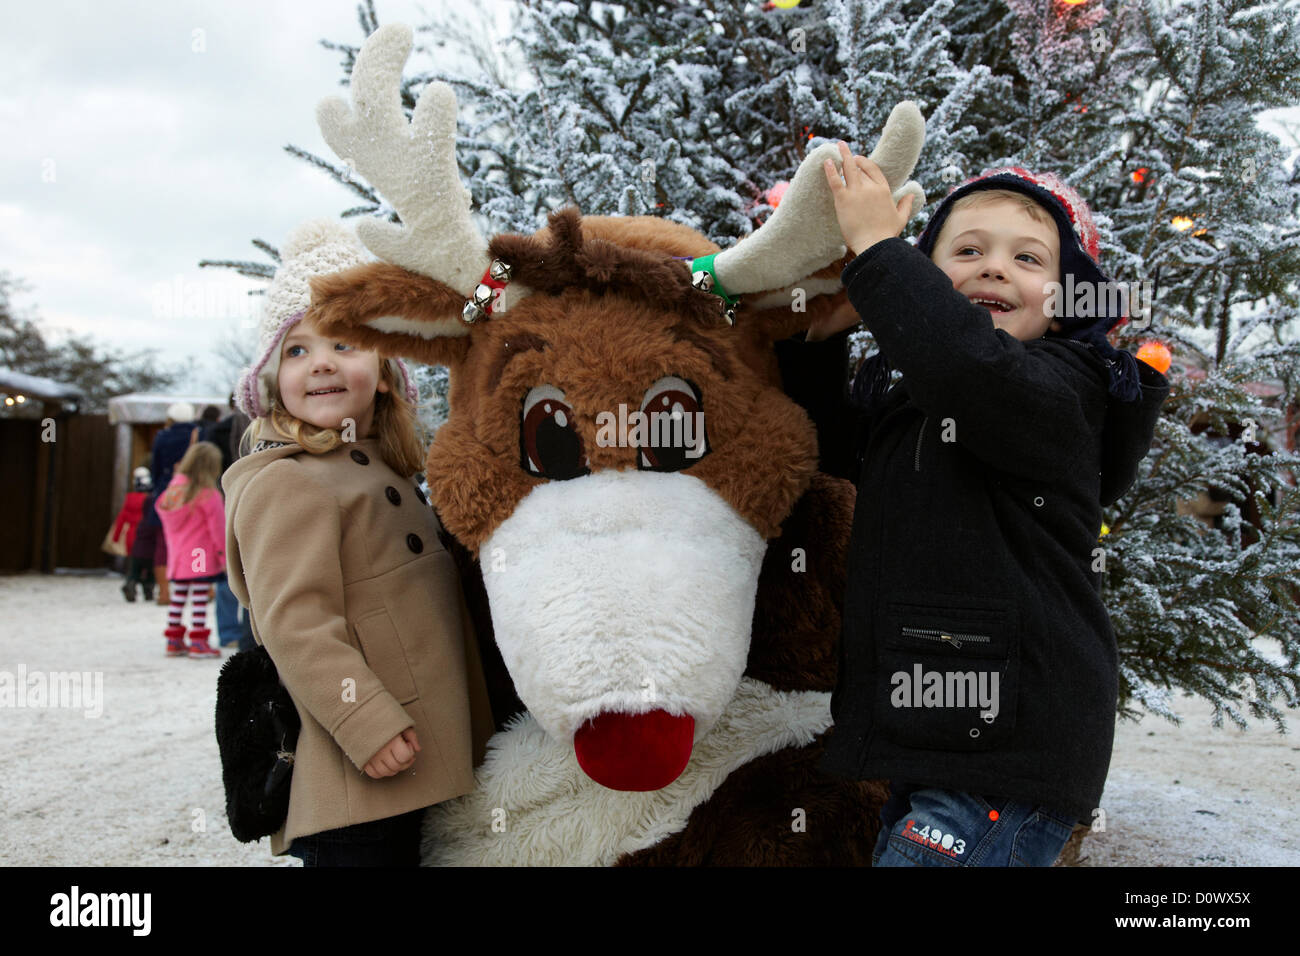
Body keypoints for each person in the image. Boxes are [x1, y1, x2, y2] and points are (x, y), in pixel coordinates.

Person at [775, 146, 1170, 866]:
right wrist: (820, 344)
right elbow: (828, 456)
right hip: (940, 732)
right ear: (930, 279)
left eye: (1028, 259)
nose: (994, 267)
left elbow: (970, 369)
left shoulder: (1063, 391)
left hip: (1011, 741)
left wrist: (876, 248)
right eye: (968, 250)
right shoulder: (916, 400)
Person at [222, 220, 494, 866]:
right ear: (271, 380)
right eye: (295, 351)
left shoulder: (384, 469)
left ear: (383, 367)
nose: (319, 362)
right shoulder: (288, 482)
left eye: (343, 342)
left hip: (413, 763)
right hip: (356, 779)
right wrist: (363, 721)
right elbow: (296, 624)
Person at [155, 441, 227, 658]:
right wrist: (223, 556)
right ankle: (198, 641)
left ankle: (174, 640)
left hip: (178, 552)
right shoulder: (207, 494)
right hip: (200, 553)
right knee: (199, 595)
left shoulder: (174, 490)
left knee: (179, 596)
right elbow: (217, 528)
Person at [115, 467, 152, 602]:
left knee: (133, 565)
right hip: (146, 537)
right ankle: (148, 588)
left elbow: (121, 519)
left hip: (131, 537)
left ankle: (130, 583)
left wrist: (116, 536)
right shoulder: (149, 500)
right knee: (149, 564)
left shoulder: (129, 499)